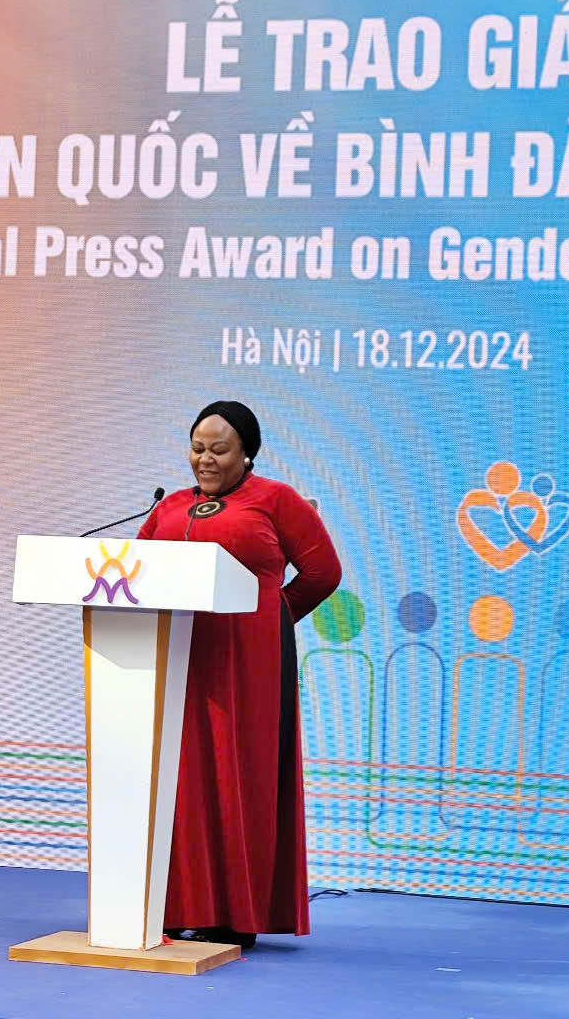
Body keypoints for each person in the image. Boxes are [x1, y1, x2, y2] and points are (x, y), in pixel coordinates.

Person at [137, 399, 341, 950]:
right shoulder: (169, 507)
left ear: (247, 454)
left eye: (219, 450)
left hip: (249, 662)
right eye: (197, 448)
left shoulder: (276, 500)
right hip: (180, 656)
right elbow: (137, 572)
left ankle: (233, 913)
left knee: (237, 776)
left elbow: (323, 571)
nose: (205, 459)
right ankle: (177, 905)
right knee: (183, 781)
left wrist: (269, 616)